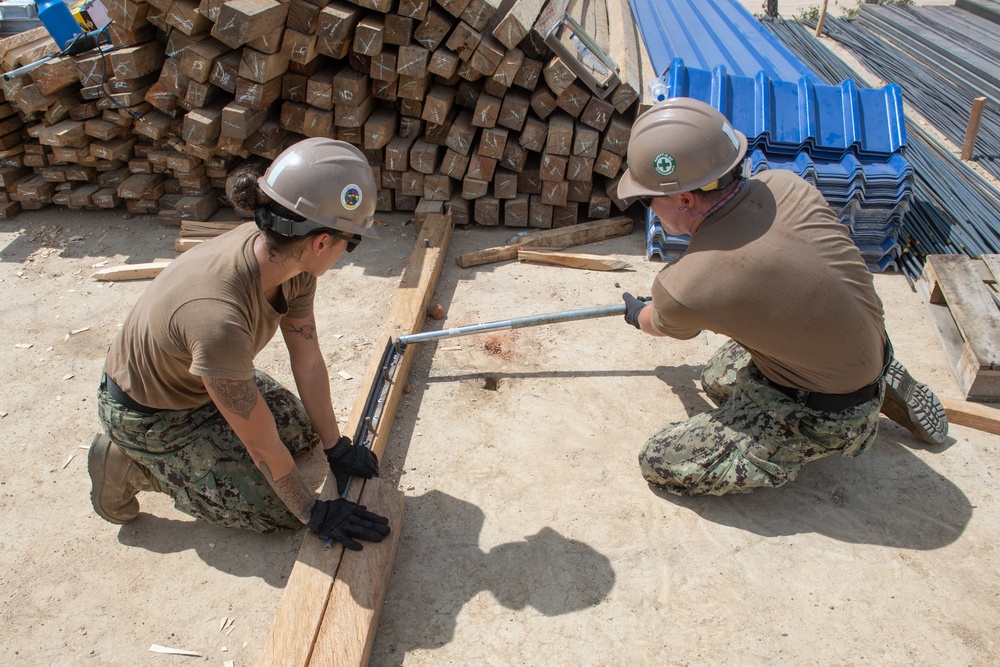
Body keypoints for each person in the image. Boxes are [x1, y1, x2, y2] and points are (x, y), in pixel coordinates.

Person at [616, 97, 948, 497]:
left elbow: (657, 322)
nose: (648, 208)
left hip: (824, 410)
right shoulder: (786, 185)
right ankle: (868, 368)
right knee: (717, 377)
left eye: (648, 198)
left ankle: (823, 436)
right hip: (864, 340)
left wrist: (639, 314)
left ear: (684, 200)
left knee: (660, 459)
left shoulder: (686, 285)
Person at [89, 138, 390, 550]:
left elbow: (308, 360)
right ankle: (134, 464)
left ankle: (202, 448)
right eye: (349, 241)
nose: (348, 252)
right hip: (149, 413)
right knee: (278, 508)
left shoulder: (289, 261)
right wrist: (312, 511)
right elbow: (260, 443)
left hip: (201, 377)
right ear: (321, 242)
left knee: (301, 435)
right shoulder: (218, 318)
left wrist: (336, 447)